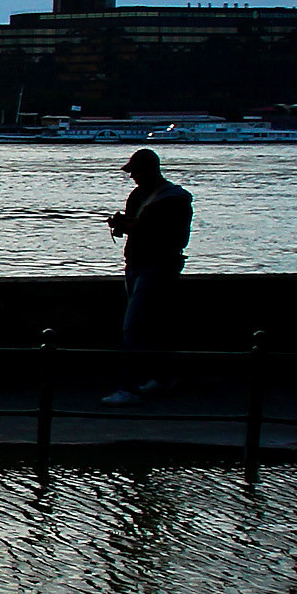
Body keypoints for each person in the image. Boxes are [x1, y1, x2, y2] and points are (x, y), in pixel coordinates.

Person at [102, 148, 192, 406]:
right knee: (156, 325)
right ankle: (163, 377)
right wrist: (125, 226)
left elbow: (155, 230)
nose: (133, 178)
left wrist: (128, 226)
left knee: (134, 326)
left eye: (136, 172)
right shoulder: (140, 195)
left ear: (150, 170)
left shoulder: (173, 200)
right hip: (137, 265)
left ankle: (129, 387)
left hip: (158, 267)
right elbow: (138, 226)